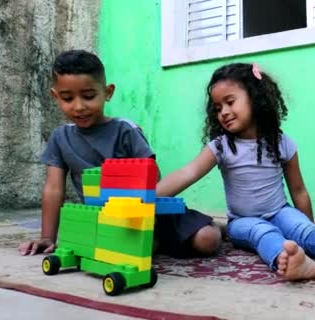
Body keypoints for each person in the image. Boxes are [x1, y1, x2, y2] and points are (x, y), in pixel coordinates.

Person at [156, 63, 315, 281]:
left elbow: (299, 191)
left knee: (304, 231)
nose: (224, 112)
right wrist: (146, 195)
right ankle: (290, 261)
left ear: (255, 98)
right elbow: (188, 172)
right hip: (242, 222)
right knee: (263, 232)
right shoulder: (221, 146)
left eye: (230, 102)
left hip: (280, 211)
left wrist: (307, 228)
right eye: (218, 108)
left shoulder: (281, 142)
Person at [18, 49, 220, 256]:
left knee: (207, 241)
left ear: (108, 92)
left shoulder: (125, 130)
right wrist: (47, 238)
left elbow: (153, 177)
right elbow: (53, 188)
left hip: (147, 211)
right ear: (55, 96)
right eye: (67, 98)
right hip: (103, 218)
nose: (79, 107)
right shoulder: (60, 138)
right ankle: (157, 240)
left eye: (88, 96)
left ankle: (209, 226)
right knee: (119, 252)